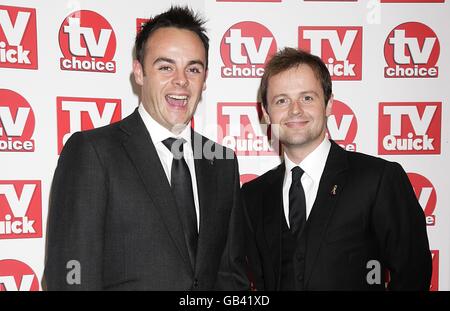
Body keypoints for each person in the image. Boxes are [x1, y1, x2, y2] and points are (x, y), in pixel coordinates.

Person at [44, 6, 249, 290]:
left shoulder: (223, 162)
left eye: (193, 68)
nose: (181, 80)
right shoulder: (93, 152)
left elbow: (229, 274)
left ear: (204, 79)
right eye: (165, 67)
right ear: (139, 73)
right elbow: (70, 275)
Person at [242, 47, 432, 291]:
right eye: (282, 100)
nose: (295, 109)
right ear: (266, 114)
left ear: (329, 104)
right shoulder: (253, 196)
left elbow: (413, 274)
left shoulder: (378, 179)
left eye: (307, 98)